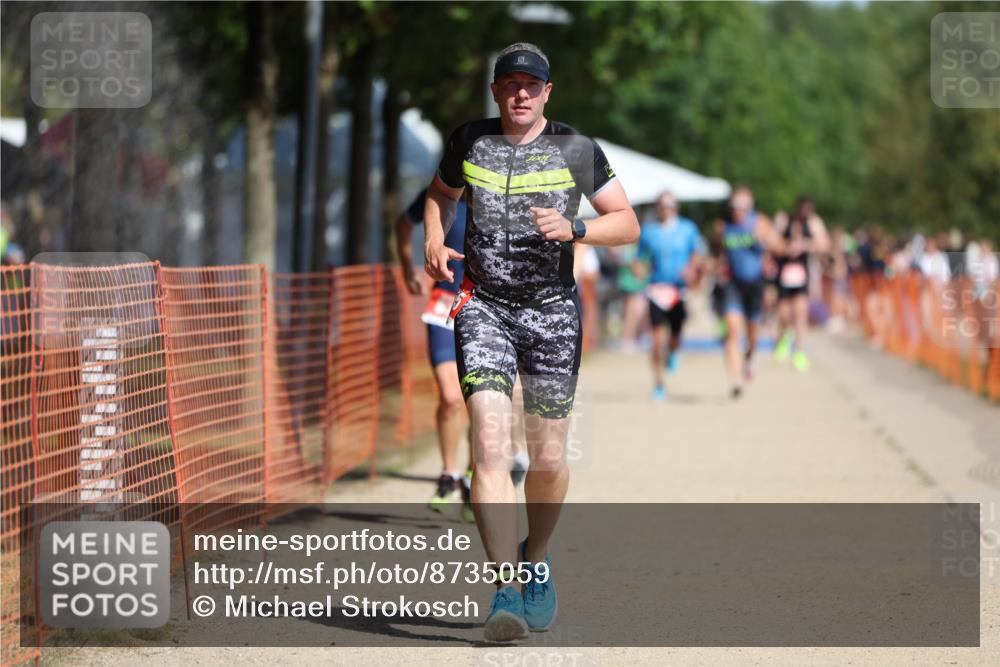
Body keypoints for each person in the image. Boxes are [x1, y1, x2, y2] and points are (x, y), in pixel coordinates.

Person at [422, 42, 638, 642]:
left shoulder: (576, 149)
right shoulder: (469, 140)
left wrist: (576, 227)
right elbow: (440, 196)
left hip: (551, 314)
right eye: (510, 83)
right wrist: (433, 239)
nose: (521, 93)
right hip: (483, 308)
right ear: (496, 91)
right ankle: (504, 591)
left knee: (547, 460)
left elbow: (627, 223)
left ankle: (535, 556)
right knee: (489, 447)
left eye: (531, 84)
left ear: (548, 92)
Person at [394, 188, 476, 522]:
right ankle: (448, 475)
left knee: (482, 403)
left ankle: (473, 476)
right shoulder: (442, 192)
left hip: (487, 308)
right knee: (450, 396)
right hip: (444, 305)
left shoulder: (506, 190)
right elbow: (403, 224)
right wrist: (406, 269)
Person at [635, 191, 704, 400]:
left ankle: (673, 352)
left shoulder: (688, 229)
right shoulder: (649, 231)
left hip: (678, 290)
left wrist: (691, 269)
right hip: (657, 289)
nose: (667, 209)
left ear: (676, 207)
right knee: (656, 341)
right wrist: (639, 269)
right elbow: (639, 258)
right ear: (657, 208)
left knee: (676, 335)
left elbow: (697, 254)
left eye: (670, 205)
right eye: (663, 205)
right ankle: (659, 384)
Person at [718, 186, 784, 398]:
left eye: (742, 207)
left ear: (750, 207)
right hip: (733, 284)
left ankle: (749, 359)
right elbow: (720, 252)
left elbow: (781, 247)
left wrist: (765, 240)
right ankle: (735, 380)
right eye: (734, 206)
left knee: (752, 336)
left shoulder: (760, 222)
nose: (737, 210)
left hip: (755, 284)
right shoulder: (724, 226)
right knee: (732, 332)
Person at [773, 197, 830, 372]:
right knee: (783, 312)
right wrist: (786, 248)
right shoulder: (784, 220)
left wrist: (805, 245)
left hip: (801, 274)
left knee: (800, 312)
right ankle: (785, 336)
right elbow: (772, 241)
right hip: (784, 274)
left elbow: (824, 245)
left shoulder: (814, 223)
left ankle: (799, 350)